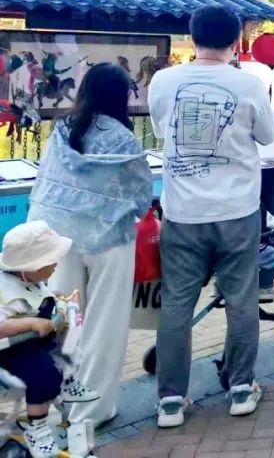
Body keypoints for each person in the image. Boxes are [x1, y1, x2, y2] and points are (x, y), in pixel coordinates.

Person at [148, 5, 274, 427]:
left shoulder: (164, 81)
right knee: (241, 300)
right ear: (236, 40)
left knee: (177, 305)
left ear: (192, 37)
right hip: (238, 211)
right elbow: (267, 136)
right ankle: (241, 388)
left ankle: (170, 400)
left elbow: (162, 131)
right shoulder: (249, 84)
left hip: (183, 213)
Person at [27, 63, 153, 427]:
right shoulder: (123, 138)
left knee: (63, 322)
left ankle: (57, 403)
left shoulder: (62, 129)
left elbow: (46, 182)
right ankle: (91, 411)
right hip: (109, 240)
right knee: (104, 325)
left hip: (56, 239)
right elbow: (141, 197)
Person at [0, 222, 100, 458]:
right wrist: (30, 323)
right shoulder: (5, 291)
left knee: (70, 351)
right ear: (30, 267)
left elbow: (38, 296)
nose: (56, 265)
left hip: (35, 343)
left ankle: (66, 384)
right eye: (50, 262)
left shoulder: (28, 279)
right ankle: (37, 429)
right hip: (11, 351)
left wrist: (59, 300)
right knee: (43, 376)